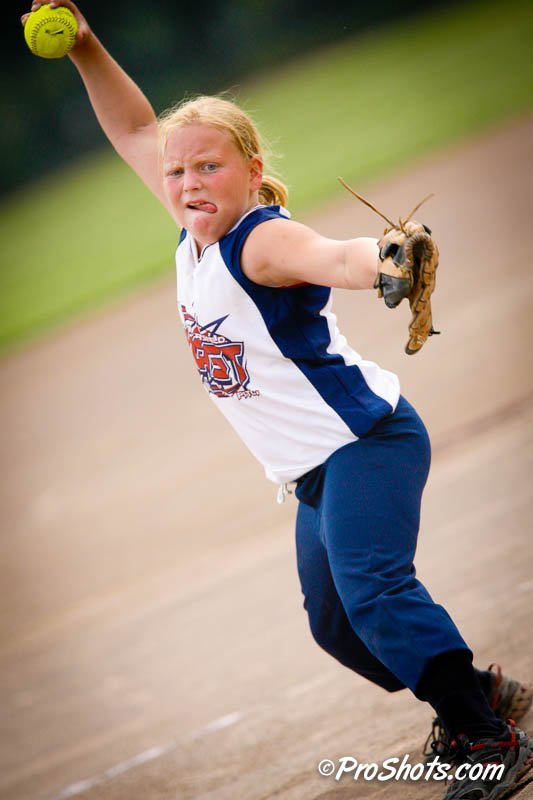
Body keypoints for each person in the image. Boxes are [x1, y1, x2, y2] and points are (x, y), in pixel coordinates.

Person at [22, 3, 532, 797]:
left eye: (209, 168)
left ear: (252, 169)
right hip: (313, 474)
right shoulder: (194, 229)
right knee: (337, 628)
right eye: (178, 171)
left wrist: (385, 260)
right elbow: (130, 131)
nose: (189, 182)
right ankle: (479, 692)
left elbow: (329, 253)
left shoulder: (256, 239)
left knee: (375, 593)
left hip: (367, 441)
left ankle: (486, 737)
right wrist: (86, 46)